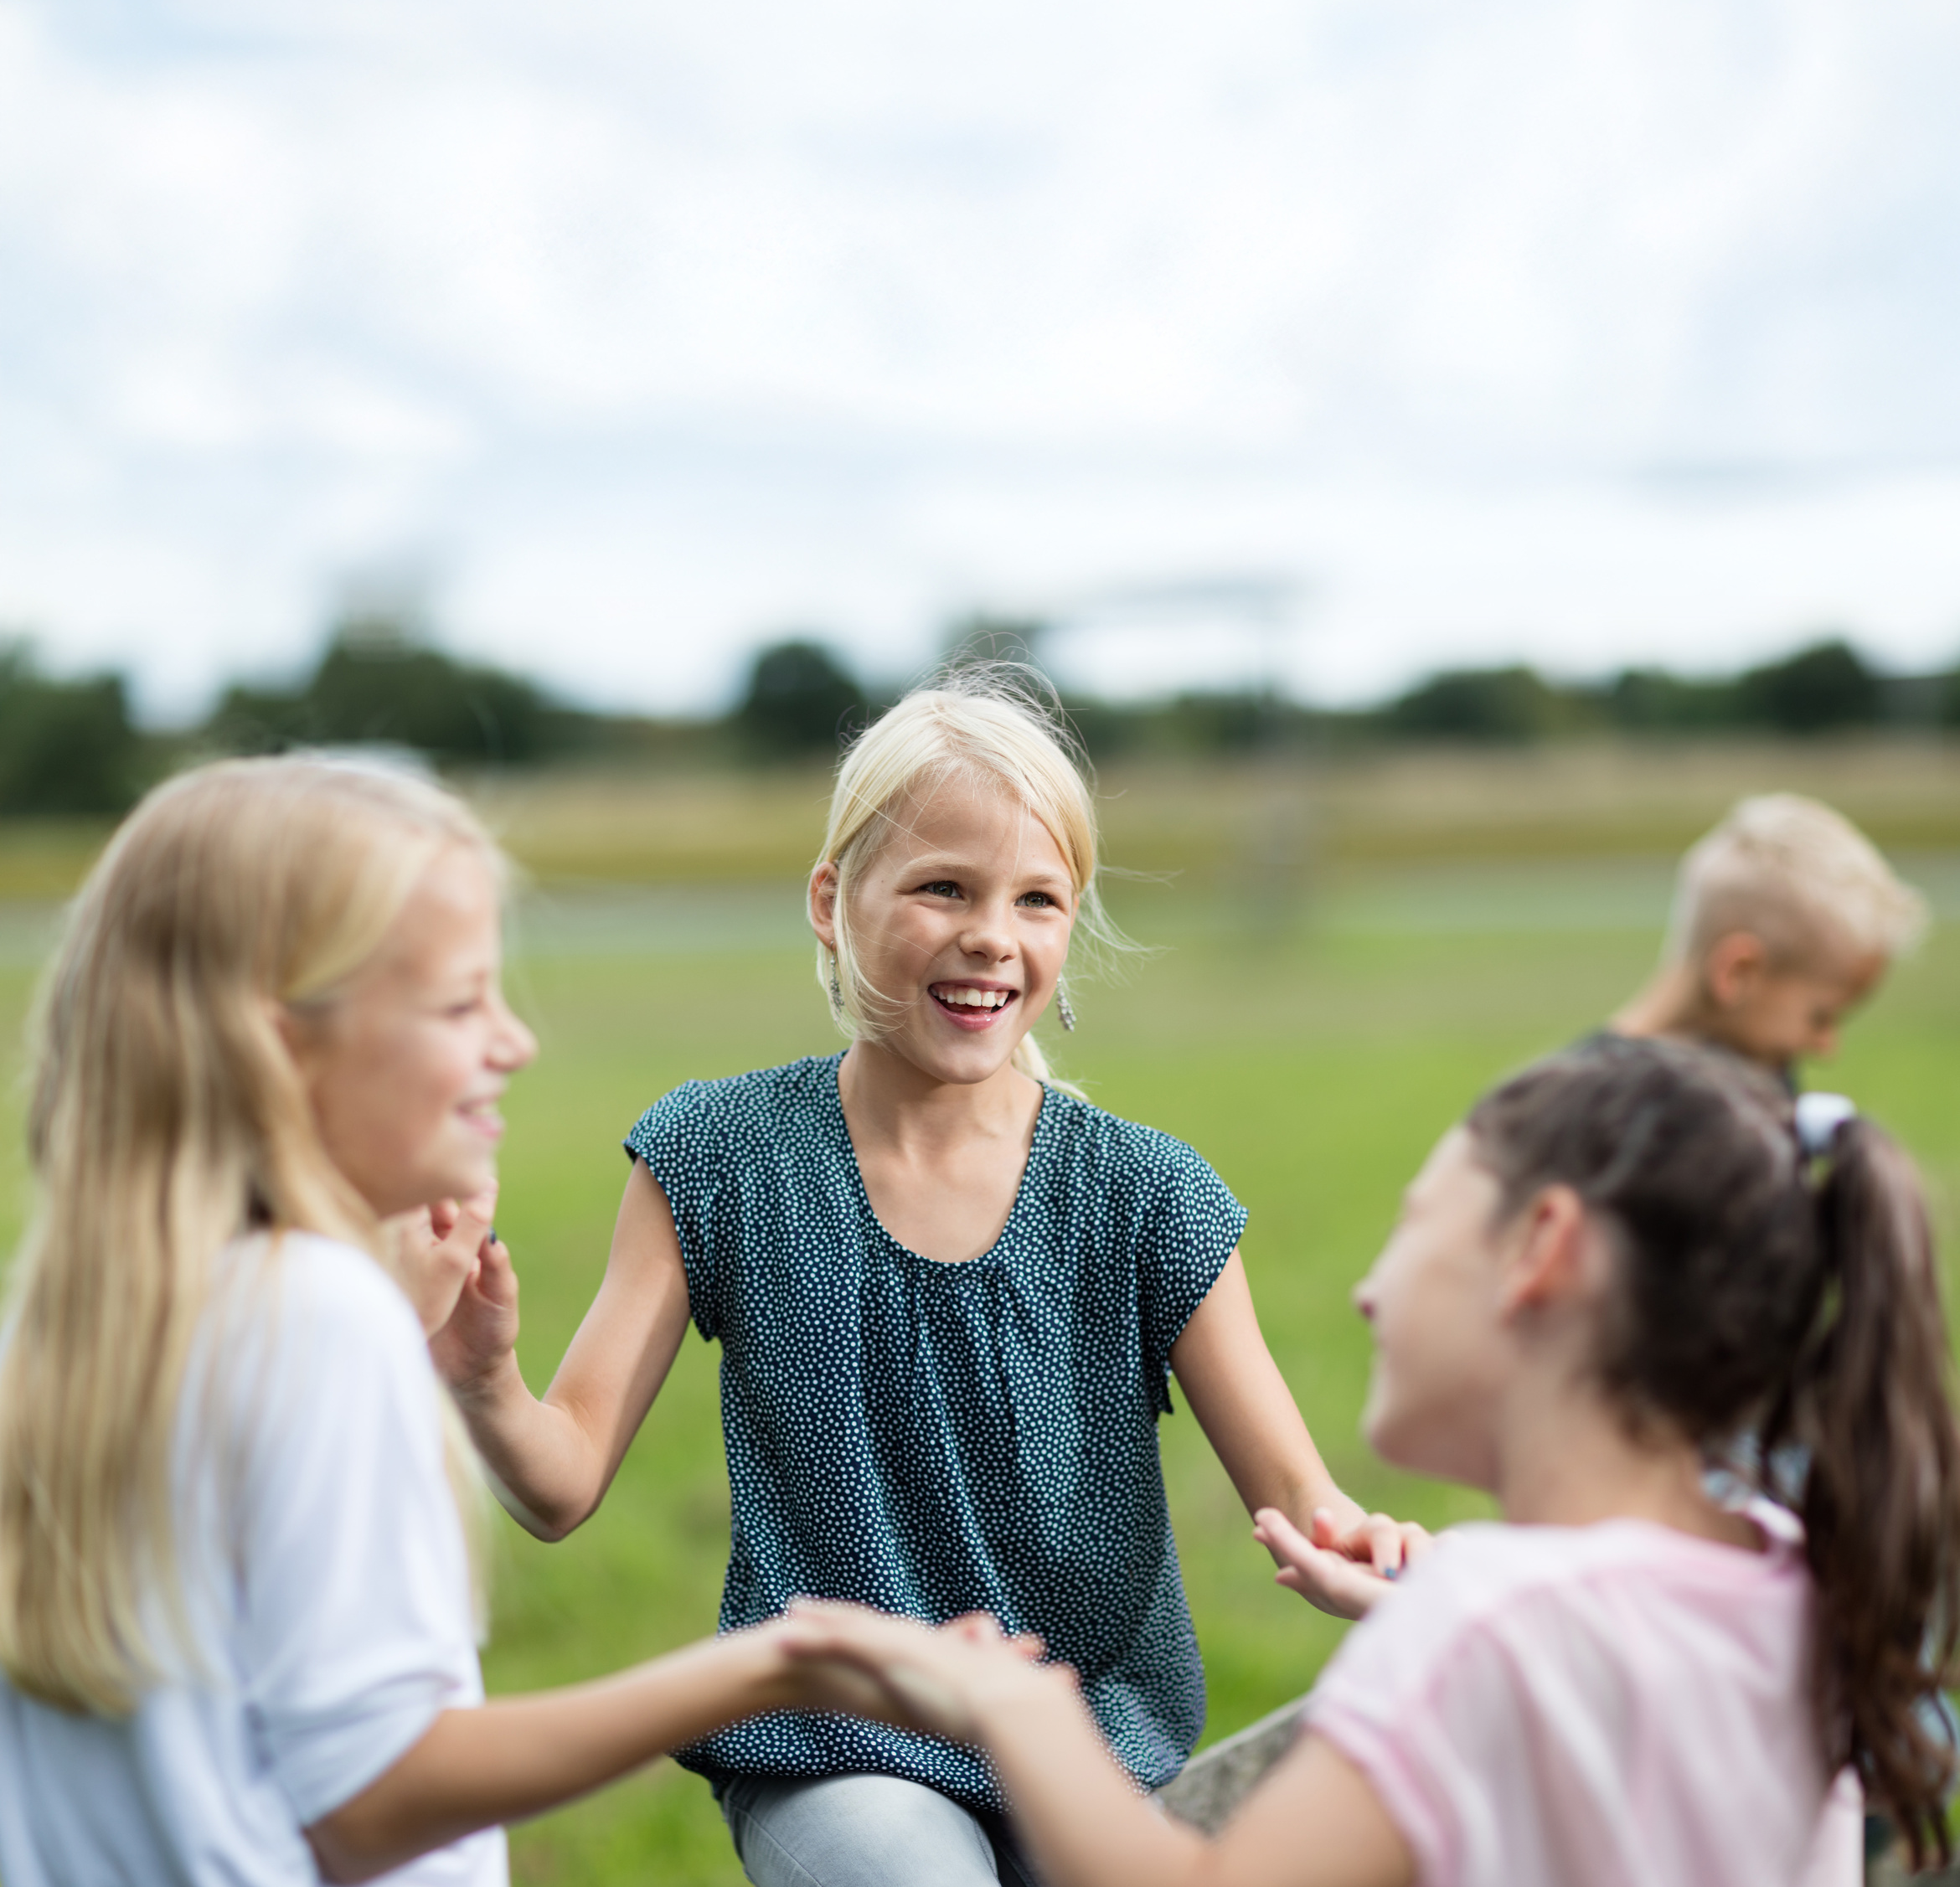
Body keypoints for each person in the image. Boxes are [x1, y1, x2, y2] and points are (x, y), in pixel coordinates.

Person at [430, 669, 1417, 1886]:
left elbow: (1305, 1508)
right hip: (844, 1743)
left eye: (1038, 897)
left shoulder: (1152, 1196)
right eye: (943, 885)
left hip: (1094, 1741)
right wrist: (483, 1379)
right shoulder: (717, 1157)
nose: (992, 932)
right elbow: (561, 1478)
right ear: (832, 900)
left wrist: (1373, 1549)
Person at [0, 758, 895, 1887]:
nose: (513, 1040)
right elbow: (367, 1799)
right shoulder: (316, 1319)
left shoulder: (79, 1322)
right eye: (461, 1000)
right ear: (283, 1045)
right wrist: (777, 1668)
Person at [781, 1034, 1960, 1887]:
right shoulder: (1796, 1571)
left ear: (1540, 1248)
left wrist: (1015, 1707)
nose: (1366, 1285)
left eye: (1414, 1223)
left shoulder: (1484, 1624)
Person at [1610, 792, 1926, 1084]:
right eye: (1820, 1017)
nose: (1828, 1048)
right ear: (1738, 973)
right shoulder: (1600, 1117)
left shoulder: (1752, 1084)